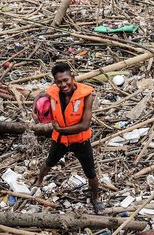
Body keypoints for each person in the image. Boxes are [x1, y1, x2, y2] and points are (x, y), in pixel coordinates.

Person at [32, 62, 103, 214]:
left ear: (72, 76)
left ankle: (96, 198)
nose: (63, 84)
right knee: (49, 162)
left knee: (90, 172)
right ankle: (38, 182)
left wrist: (62, 130)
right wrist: (34, 111)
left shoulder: (86, 96)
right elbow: (39, 96)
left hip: (80, 140)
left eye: (66, 80)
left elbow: (84, 125)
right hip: (60, 140)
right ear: (55, 82)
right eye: (59, 82)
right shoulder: (52, 91)